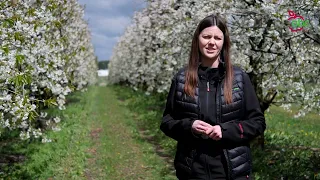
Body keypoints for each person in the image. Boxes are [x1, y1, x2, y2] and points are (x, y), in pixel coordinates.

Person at [160, 14, 266, 180]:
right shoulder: (182, 79)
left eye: (217, 38)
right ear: (198, 40)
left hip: (233, 171)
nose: (212, 42)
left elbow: (257, 123)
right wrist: (190, 126)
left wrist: (224, 131)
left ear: (224, 43)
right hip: (192, 171)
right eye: (206, 36)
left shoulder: (239, 78)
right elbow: (167, 122)